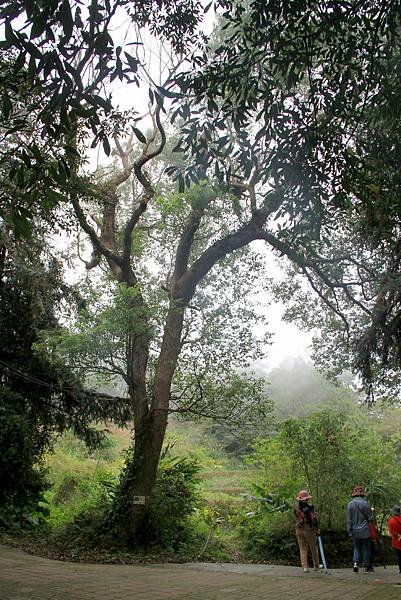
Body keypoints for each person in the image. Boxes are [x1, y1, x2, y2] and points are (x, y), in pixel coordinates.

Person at [347, 485, 374, 574]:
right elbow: (371, 518)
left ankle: (355, 564)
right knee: (366, 548)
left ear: (354, 494)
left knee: (356, 548)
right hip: (365, 530)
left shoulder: (350, 504)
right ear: (362, 494)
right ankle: (366, 567)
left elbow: (349, 520)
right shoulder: (366, 503)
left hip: (355, 530)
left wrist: (349, 530)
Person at [294, 489, 321, 573]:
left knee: (302, 548)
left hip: (299, 529)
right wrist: (317, 529)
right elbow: (314, 519)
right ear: (307, 499)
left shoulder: (296, 508)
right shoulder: (309, 508)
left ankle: (305, 566)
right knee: (313, 547)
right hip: (309, 529)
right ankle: (316, 565)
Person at [387, 505, 401, 574]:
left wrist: (397, 535)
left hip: (397, 541)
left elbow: (391, 531)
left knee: (399, 555)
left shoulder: (391, 521)